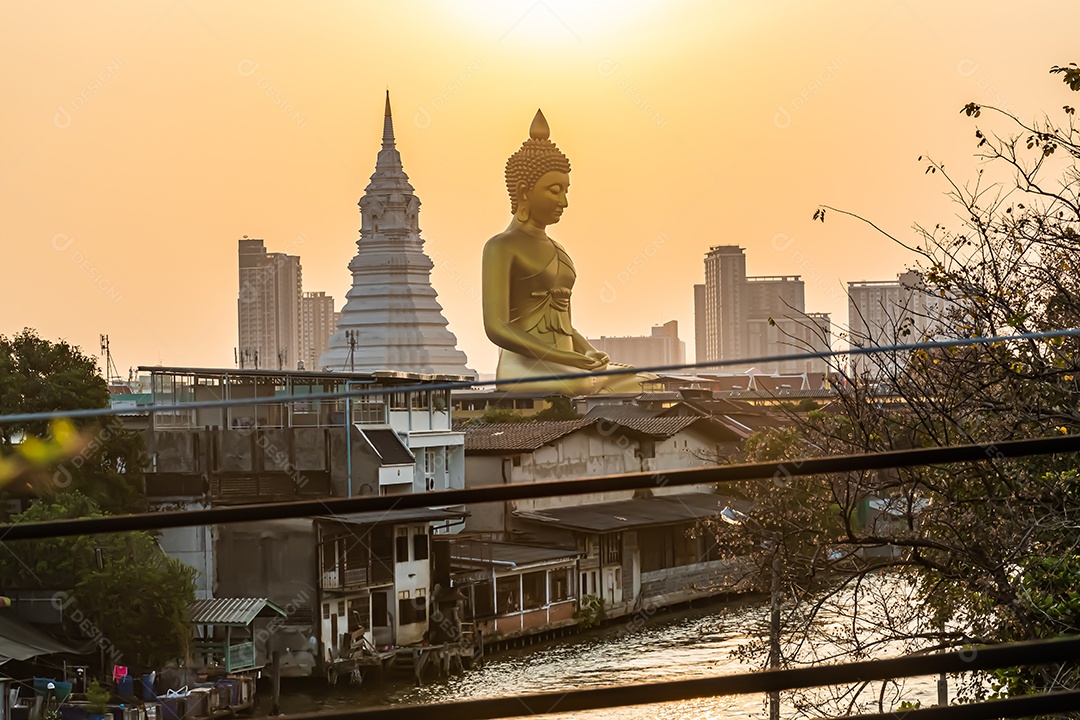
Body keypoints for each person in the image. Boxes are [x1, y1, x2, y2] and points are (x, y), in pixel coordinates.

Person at [482, 110, 657, 396]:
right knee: (583, 383)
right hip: (524, 366)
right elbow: (497, 328)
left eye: (566, 190)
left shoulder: (558, 249)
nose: (564, 201)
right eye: (554, 190)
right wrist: (565, 358)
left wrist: (587, 351)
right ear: (524, 191)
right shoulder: (501, 246)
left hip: (569, 364)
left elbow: (566, 325)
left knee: (647, 380)